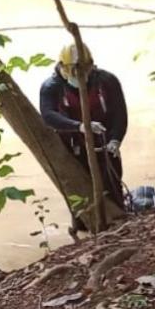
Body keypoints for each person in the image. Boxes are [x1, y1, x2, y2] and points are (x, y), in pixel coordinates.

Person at [40, 42, 128, 227]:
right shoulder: (52, 87)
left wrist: (115, 140)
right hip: (74, 151)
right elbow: (48, 115)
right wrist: (80, 126)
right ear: (63, 67)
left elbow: (120, 115)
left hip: (105, 148)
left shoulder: (107, 81)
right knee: (80, 207)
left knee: (113, 191)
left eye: (84, 69)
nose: (80, 76)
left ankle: (117, 225)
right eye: (74, 70)